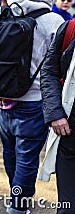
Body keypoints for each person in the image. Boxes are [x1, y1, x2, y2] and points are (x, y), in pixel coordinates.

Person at [0, 0, 65, 214]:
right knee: (27, 159)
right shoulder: (54, 21)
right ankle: (18, 207)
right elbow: (59, 64)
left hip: (0, 98)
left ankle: (16, 198)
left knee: (10, 154)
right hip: (32, 101)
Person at [40, 20, 75, 214]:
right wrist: (55, 113)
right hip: (69, 130)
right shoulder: (70, 28)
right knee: (68, 205)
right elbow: (50, 70)